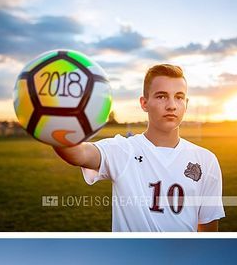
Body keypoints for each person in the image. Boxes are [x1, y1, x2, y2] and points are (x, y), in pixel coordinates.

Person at [54, 63, 224, 232]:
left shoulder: (206, 160)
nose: (172, 105)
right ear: (144, 103)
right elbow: (78, 153)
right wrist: (52, 122)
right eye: (161, 96)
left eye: (179, 97)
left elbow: (208, 233)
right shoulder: (122, 150)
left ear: (186, 103)